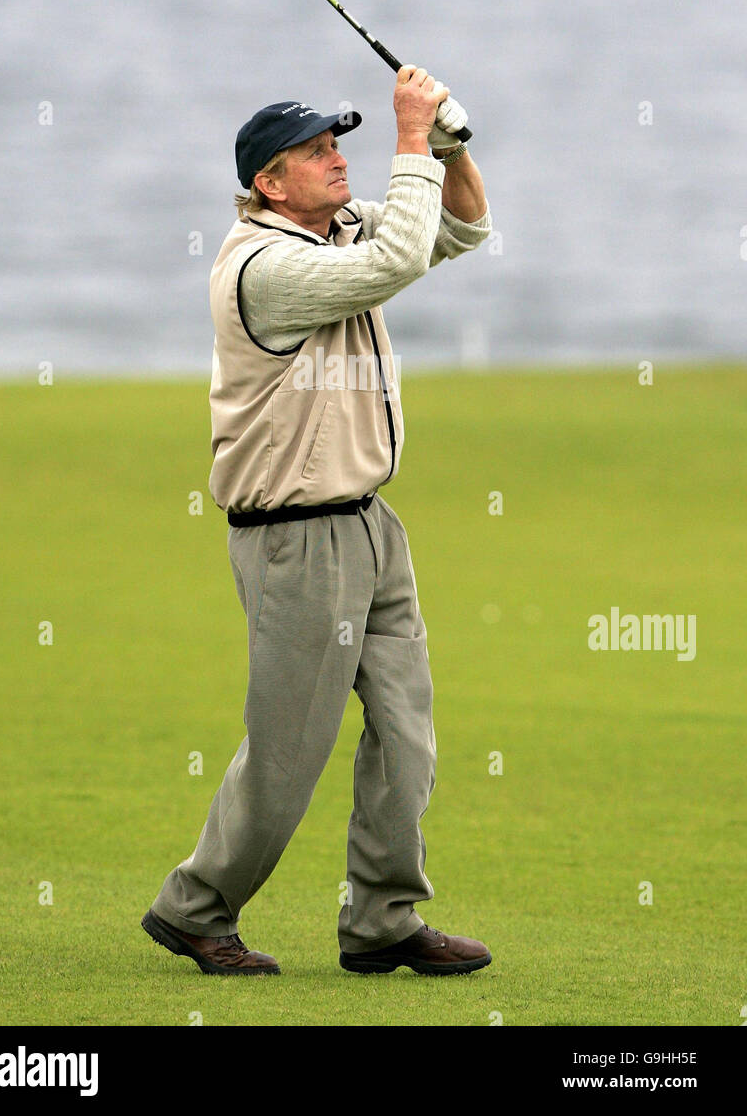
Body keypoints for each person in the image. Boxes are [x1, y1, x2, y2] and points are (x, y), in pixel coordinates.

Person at [141, 65, 494, 976]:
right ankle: (194, 907)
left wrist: (448, 146)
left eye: (341, 145)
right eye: (318, 153)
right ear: (269, 182)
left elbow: (457, 230)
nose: (342, 162)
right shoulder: (266, 267)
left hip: (372, 527)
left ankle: (381, 921)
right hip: (294, 537)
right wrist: (412, 137)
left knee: (407, 733)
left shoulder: (329, 228)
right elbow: (396, 261)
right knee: (289, 750)